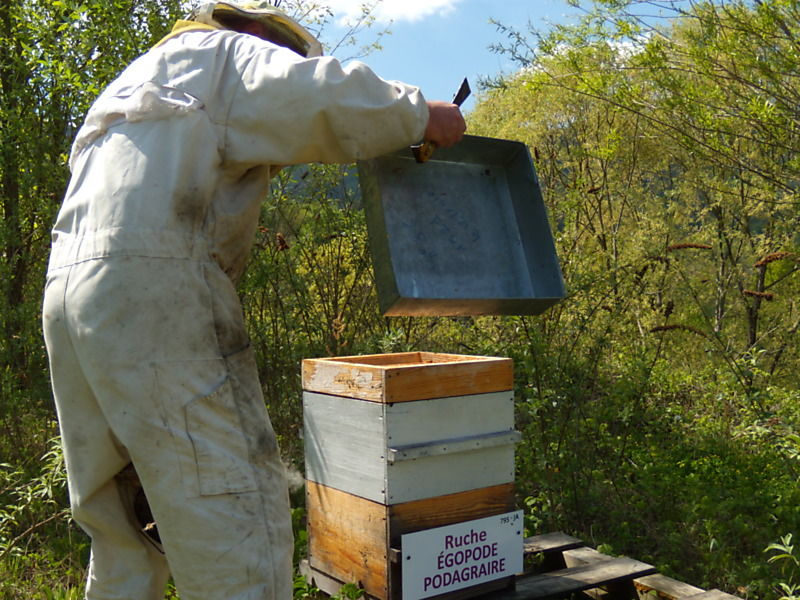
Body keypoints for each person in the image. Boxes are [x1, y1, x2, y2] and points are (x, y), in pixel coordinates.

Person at [41, 2, 466, 599]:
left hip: (67, 295)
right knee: (235, 509)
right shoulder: (227, 55)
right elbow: (319, 96)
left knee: (120, 528)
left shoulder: (136, 79)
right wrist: (421, 114)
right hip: (159, 288)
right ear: (260, 35)